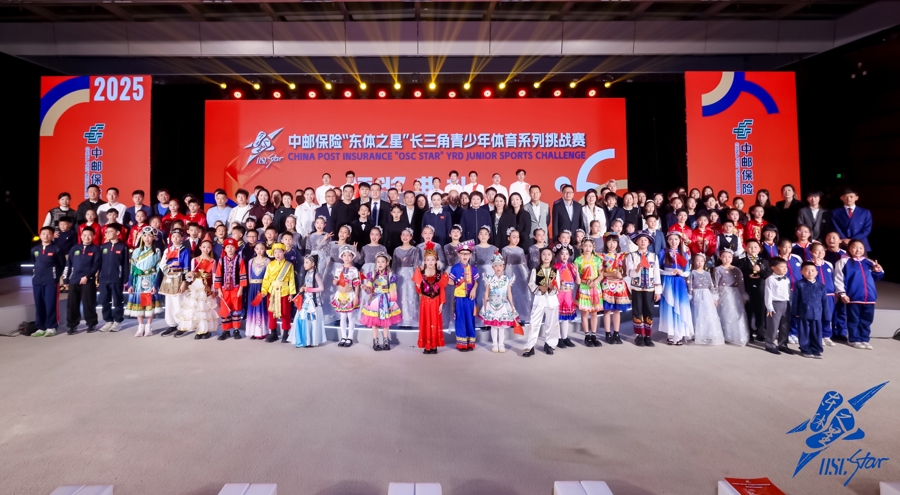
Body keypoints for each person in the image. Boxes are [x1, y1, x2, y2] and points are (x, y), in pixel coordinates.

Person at [834, 240, 884, 349]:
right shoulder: (843, 262)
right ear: (849, 248)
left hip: (869, 297)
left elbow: (876, 277)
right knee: (853, 320)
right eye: (854, 247)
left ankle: (864, 339)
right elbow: (838, 279)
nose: (858, 250)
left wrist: (878, 270)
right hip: (853, 297)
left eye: (861, 248)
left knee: (867, 320)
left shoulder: (868, 262)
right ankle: (854, 339)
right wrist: (842, 294)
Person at [176, 240, 219, 340]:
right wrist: (189, 275)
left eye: (208, 247)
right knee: (196, 308)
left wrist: (214, 288)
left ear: (211, 249)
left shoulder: (213, 261)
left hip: (207, 286)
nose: (206, 249)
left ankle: (206, 330)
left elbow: (214, 275)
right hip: (196, 286)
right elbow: (191, 275)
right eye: (204, 247)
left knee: (206, 308)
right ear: (200, 247)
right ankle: (199, 329)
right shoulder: (194, 260)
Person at [125, 227, 163, 337]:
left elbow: (158, 269)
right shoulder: (136, 251)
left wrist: (155, 284)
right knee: (139, 303)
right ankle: (140, 326)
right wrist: (131, 284)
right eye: (145, 235)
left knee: (148, 303)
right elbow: (132, 268)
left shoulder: (157, 251)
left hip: (150, 279)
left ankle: (148, 326)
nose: (147, 238)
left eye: (150, 236)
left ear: (154, 238)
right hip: (138, 280)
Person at [360, 252, 402, 351]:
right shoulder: (372, 275)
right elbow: (369, 290)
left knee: (385, 323)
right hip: (375, 300)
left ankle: (386, 341)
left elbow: (393, 290)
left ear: (387, 263)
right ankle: (375, 342)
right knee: (374, 323)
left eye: (382, 261)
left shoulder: (390, 276)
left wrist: (392, 303)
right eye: (378, 261)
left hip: (385, 300)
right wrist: (365, 287)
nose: (380, 264)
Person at [63, 227, 101, 334]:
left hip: (88, 280)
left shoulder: (96, 249)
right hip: (74, 280)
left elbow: (96, 265)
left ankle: (91, 324)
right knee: (72, 304)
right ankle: (72, 325)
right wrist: (66, 279)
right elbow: (68, 264)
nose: (86, 237)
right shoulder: (74, 248)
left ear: (93, 236)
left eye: (89, 235)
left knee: (88, 303)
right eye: (84, 235)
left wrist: (87, 276)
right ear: (81, 235)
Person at [258, 242, 297, 343]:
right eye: (275, 252)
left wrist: (291, 293)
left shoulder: (289, 265)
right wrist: (264, 290)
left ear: (284, 252)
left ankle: (285, 333)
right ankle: (273, 332)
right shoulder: (270, 265)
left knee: (285, 312)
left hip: (284, 291)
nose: (277, 254)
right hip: (272, 292)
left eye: (279, 252)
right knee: (272, 312)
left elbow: (291, 280)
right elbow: (266, 279)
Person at [659, 231, 693, 345]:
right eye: (671, 239)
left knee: (680, 306)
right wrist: (668, 273)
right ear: (667, 241)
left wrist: (681, 273)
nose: (673, 242)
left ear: (680, 241)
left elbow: (688, 271)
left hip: (680, 282)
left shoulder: (684, 254)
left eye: (676, 239)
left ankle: (679, 335)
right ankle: (670, 334)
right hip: (668, 282)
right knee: (669, 307)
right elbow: (657, 269)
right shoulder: (663, 252)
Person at [525, 247, 560, 356]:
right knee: (534, 322)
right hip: (539, 299)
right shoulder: (535, 270)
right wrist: (539, 288)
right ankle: (530, 346)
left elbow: (558, 286)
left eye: (549, 254)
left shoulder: (555, 271)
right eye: (543, 254)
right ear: (540, 256)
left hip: (551, 300)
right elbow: (531, 283)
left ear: (552, 257)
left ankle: (549, 344)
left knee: (552, 323)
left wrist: (551, 289)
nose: (546, 256)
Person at [413, 243, 448, 354]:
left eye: (433, 260)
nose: (430, 262)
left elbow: (442, 289)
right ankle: (427, 346)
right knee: (426, 322)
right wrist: (418, 286)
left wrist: (441, 303)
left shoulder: (439, 274)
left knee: (435, 322)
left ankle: (434, 345)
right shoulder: (421, 273)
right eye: (428, 260)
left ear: (436, 261)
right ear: (424, 261)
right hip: (425, 301)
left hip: (436, 301)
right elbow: (419, 289)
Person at [30, 227, 65, 337]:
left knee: (50, 303)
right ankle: (41, 327)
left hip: (51, 280)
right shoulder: (35, 249)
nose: (46, 236)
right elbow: (34, 262)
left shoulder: (57, 249)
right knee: (39, 304)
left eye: (49, 234)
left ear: (52, 235)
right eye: (43, 233)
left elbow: (62, 264)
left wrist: (55, 276)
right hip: (37, 281)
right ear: (40, 235)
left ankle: (51, 326)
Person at [480, 251, 517, 354]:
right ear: (493, 267)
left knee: (501, 327)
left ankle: (501, 344)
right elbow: (486, 293)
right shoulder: (489, 279)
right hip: (492, 304)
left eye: (500, 265)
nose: (498, 268)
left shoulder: (507, 279)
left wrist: (512, 306)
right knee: (494, 326)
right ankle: (494, 344)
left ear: (503, 267)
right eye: (496, 266)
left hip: (503, 305)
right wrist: (485, 305)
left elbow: (509, 293)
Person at [713, 249, 750, 347]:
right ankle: (723, 334)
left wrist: (743, 295)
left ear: (732, 258)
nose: (727, 259)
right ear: (720, 257)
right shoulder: (717, 269)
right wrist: (715, 296)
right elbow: (715, 283)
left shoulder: (737, 270)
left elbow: (741, 284)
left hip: (735, 294)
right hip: (722, 293)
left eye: (729, 257)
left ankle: (735, 335)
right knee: (723, 313)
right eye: (724, 257)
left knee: (735, 313)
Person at [159, 228, 191, 336]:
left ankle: (182, 324)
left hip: (179, 276)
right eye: (173, 236)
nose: (175, 238)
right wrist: (170, 265)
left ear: (182, 238)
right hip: (169, 277)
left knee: (179, 302)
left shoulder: (185, 250)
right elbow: (162, 265)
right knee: (169, 302)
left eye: (178, 236)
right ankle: (171, 324)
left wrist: (185, 281)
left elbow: (186, 267)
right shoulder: (167, 250)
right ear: (171, 238)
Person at [736, 239, 770, 342]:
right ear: (746, 248)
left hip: (761, 290)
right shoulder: (741, 260)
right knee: (748, 312)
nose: (753, 249)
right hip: (747, 289)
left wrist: (761, 271)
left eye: (755, 247)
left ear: (760, 249)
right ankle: (748, 333)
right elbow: (737, 274)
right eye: (750, 247)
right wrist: (747, 275)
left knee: (761, 312)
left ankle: (761, 332)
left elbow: (768, 274)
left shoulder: (764, 261)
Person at [792, 261, 828, 359]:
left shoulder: (821, 286)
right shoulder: (799, 284)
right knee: (804, 332)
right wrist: (795, 312)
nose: (810, 273)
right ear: (801, 272)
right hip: (803, 313)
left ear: (816, 272)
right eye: (807, 270)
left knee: (816, 332)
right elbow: (795, 299)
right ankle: (805, 349)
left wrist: (826, 315)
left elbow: (824, 301)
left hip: (817, 313)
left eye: (812, 270)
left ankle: (816, 350)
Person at [214, 238, 247, 340]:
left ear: (236, 248)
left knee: (236, 309)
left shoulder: (240, 260)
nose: (230, 249)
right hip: (224, 289)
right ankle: (225, 330)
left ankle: (236, 330)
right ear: (224, 249)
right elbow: (218, 275)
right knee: (225, 309)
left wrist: (241, 289)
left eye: (232, 247)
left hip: (236, 289)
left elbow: (242, 274)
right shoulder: (221, 260)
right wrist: (219, 290)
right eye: (228, 247)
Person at [290, 254, 326, 348]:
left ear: (313, 264)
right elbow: (307, 284)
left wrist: (309, 289)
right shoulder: (307, 273)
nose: (304, 264)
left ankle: (309, 340)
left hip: (313, 302)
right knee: (301, 318)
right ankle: (303, 340)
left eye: (307, 262)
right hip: (306, 299)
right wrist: (303, 288)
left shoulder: (316, 274)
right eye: (304, 262)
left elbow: (321, 288)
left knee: (310, 319)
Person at [688, 253, 725, 345]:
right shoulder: (692, 273)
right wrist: (690, 297)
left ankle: (708, 333)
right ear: (693, 262)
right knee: (697, 314)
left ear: (704, 262)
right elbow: (690, 286)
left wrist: (714, 298)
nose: (699, 263)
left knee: (708, 314)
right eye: (697, 261)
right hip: (696, 295)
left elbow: (711, 286)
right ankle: (697, 334)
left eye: (701, 261)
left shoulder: (707, 274)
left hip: (706, 296)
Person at [600, 232, 630, 344]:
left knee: (617, 311)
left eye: (614, 242)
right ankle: (607, 333)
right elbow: (601, 273)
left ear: (617, 243)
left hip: (619, 285)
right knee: (607, 310)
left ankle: (616, 333)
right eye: (609, 242)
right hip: (607, 284)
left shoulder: (622, 256)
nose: (612, 244)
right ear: (605, 243)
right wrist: (612, 274)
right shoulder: (601, 256)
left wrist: (621, 275)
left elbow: (625, 272)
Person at [98, 224, 129, 332]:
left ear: (117, 233)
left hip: (117, 278)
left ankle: (117, 321)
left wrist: (125, 278)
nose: (107, 233)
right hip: (103, 279)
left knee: (117, 300)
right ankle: (108, 321)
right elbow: (99, 263)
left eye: (110, 231)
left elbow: (125, 264)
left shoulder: (123, 247)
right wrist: (98, 276)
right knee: (104, 301)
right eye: (106, 232)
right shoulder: (103, 247)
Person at [449, 241, 479, 351]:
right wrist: (449, 280)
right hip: (459, 298)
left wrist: (474, 289)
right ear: (459, 255)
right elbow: (451, 282)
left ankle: (470, 342)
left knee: (470, 318)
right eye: (462, 254)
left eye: (467, 253)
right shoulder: (455, 268)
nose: (465, 256)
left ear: (470, 255)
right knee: (460, 318)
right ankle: (461, 344)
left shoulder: (473, 269)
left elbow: (476, 282)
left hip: (470, 298)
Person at [574, 238, 603, 347]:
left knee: (594, 312)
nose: (587, 248)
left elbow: (601, 275)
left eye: (590, 246)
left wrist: (595, 281)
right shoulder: (578, 260)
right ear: (582, 246)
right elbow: (577, 278)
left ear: (593, 247)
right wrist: (586, 281)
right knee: (585, 312)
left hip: (595, 287)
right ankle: (587, 335)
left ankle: (594, 335)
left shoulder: (597, 260)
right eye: (585, 245)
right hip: (584, 288)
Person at [764, 257, 795, 355]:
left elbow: (788, 292)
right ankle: (770, 344)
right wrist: (769, 307)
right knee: (773, 325)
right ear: (773, 268)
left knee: (785, 325)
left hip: (786, 303)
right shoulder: (770, 279)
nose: (785, 268)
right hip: (775, 304)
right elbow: (768, 294)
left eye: (785, 266)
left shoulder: (787, 279)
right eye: (782, 266)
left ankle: (783, 344)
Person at [391, 228, 420, 329]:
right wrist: (392, 277)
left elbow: (416, 265)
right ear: (400, 237)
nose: (405, 237)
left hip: (410, 274)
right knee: (400, 296)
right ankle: (400, 319)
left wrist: (417, 279)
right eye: (403, 235)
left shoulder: (414, 250)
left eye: (407, 235)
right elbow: (394, 265)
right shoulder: (397, 250)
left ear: (411, 237)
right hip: (400, 275)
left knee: (410, 296)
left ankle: (409, 320)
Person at [332, 246, 360, 347]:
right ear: (341, 256)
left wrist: (356, 296)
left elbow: (357, 284)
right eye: (344, 255)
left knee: (350, 317)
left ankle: (350, 337)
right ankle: (343, 336)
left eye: (349, 255)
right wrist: (336, 281)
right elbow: (334, 282)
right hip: (340, 295)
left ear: (352, 257)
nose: (347, 257)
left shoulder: (354, 270)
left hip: (350, 295)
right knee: (343, 317)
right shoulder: (338, 269)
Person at [810, 243, 837, 347]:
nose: (820, 253)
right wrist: (815, 265)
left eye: (822, 250)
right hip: (815, 295)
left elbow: (833, 279)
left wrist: (836, 293)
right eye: (817, 251)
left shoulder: (829, 264)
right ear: (811, 252)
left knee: (828, 316)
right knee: (817, 316)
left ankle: (826, 336)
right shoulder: (809, 264)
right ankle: (818, 336)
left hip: (829, 295)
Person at [831, 188, 873, 252]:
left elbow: (866, 229)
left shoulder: (865, 212)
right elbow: (835, 227)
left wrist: (852, 240)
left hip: (860, 243)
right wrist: (844, 239)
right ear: (841, 198)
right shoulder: (835, 212)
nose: (849, 199)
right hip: (843, 243)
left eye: (851, 197)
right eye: (846, 197)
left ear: (856, 198)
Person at [245, 242, 271, 340]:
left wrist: (266, 288)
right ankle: (253, 331)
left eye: (262, 248)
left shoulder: (267, 261)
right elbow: (249, 276)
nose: (259, 250)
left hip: (262, 286)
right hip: (253, 287)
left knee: (262, 308)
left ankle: (262, 331)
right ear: (254, 249)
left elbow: (268, 276)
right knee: (253, 307)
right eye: (257, 248)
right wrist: (250, 287)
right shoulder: (251, 261)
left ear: (265, 249)